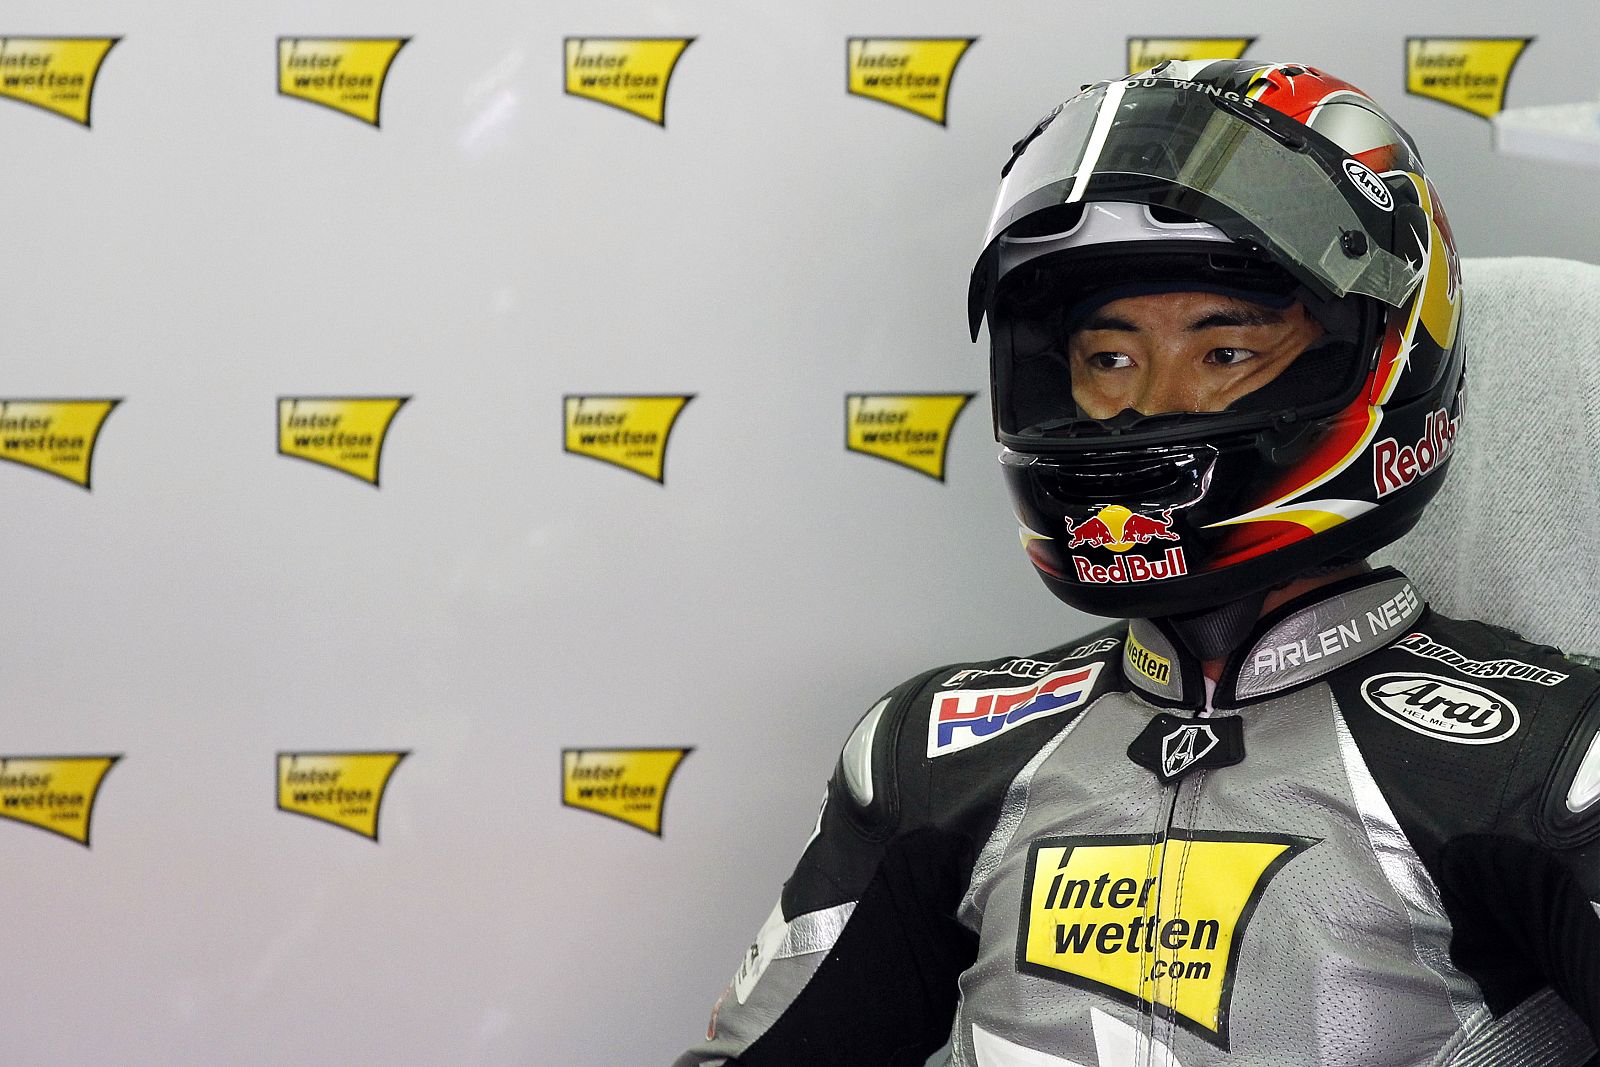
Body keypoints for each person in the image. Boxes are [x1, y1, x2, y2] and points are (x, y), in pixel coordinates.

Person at [677, 60, 1600, 1066]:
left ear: (1379, 355)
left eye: (1223, 351)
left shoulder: (1548, 768)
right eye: (1108, 358)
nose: (1147, 405)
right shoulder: (932, 750)